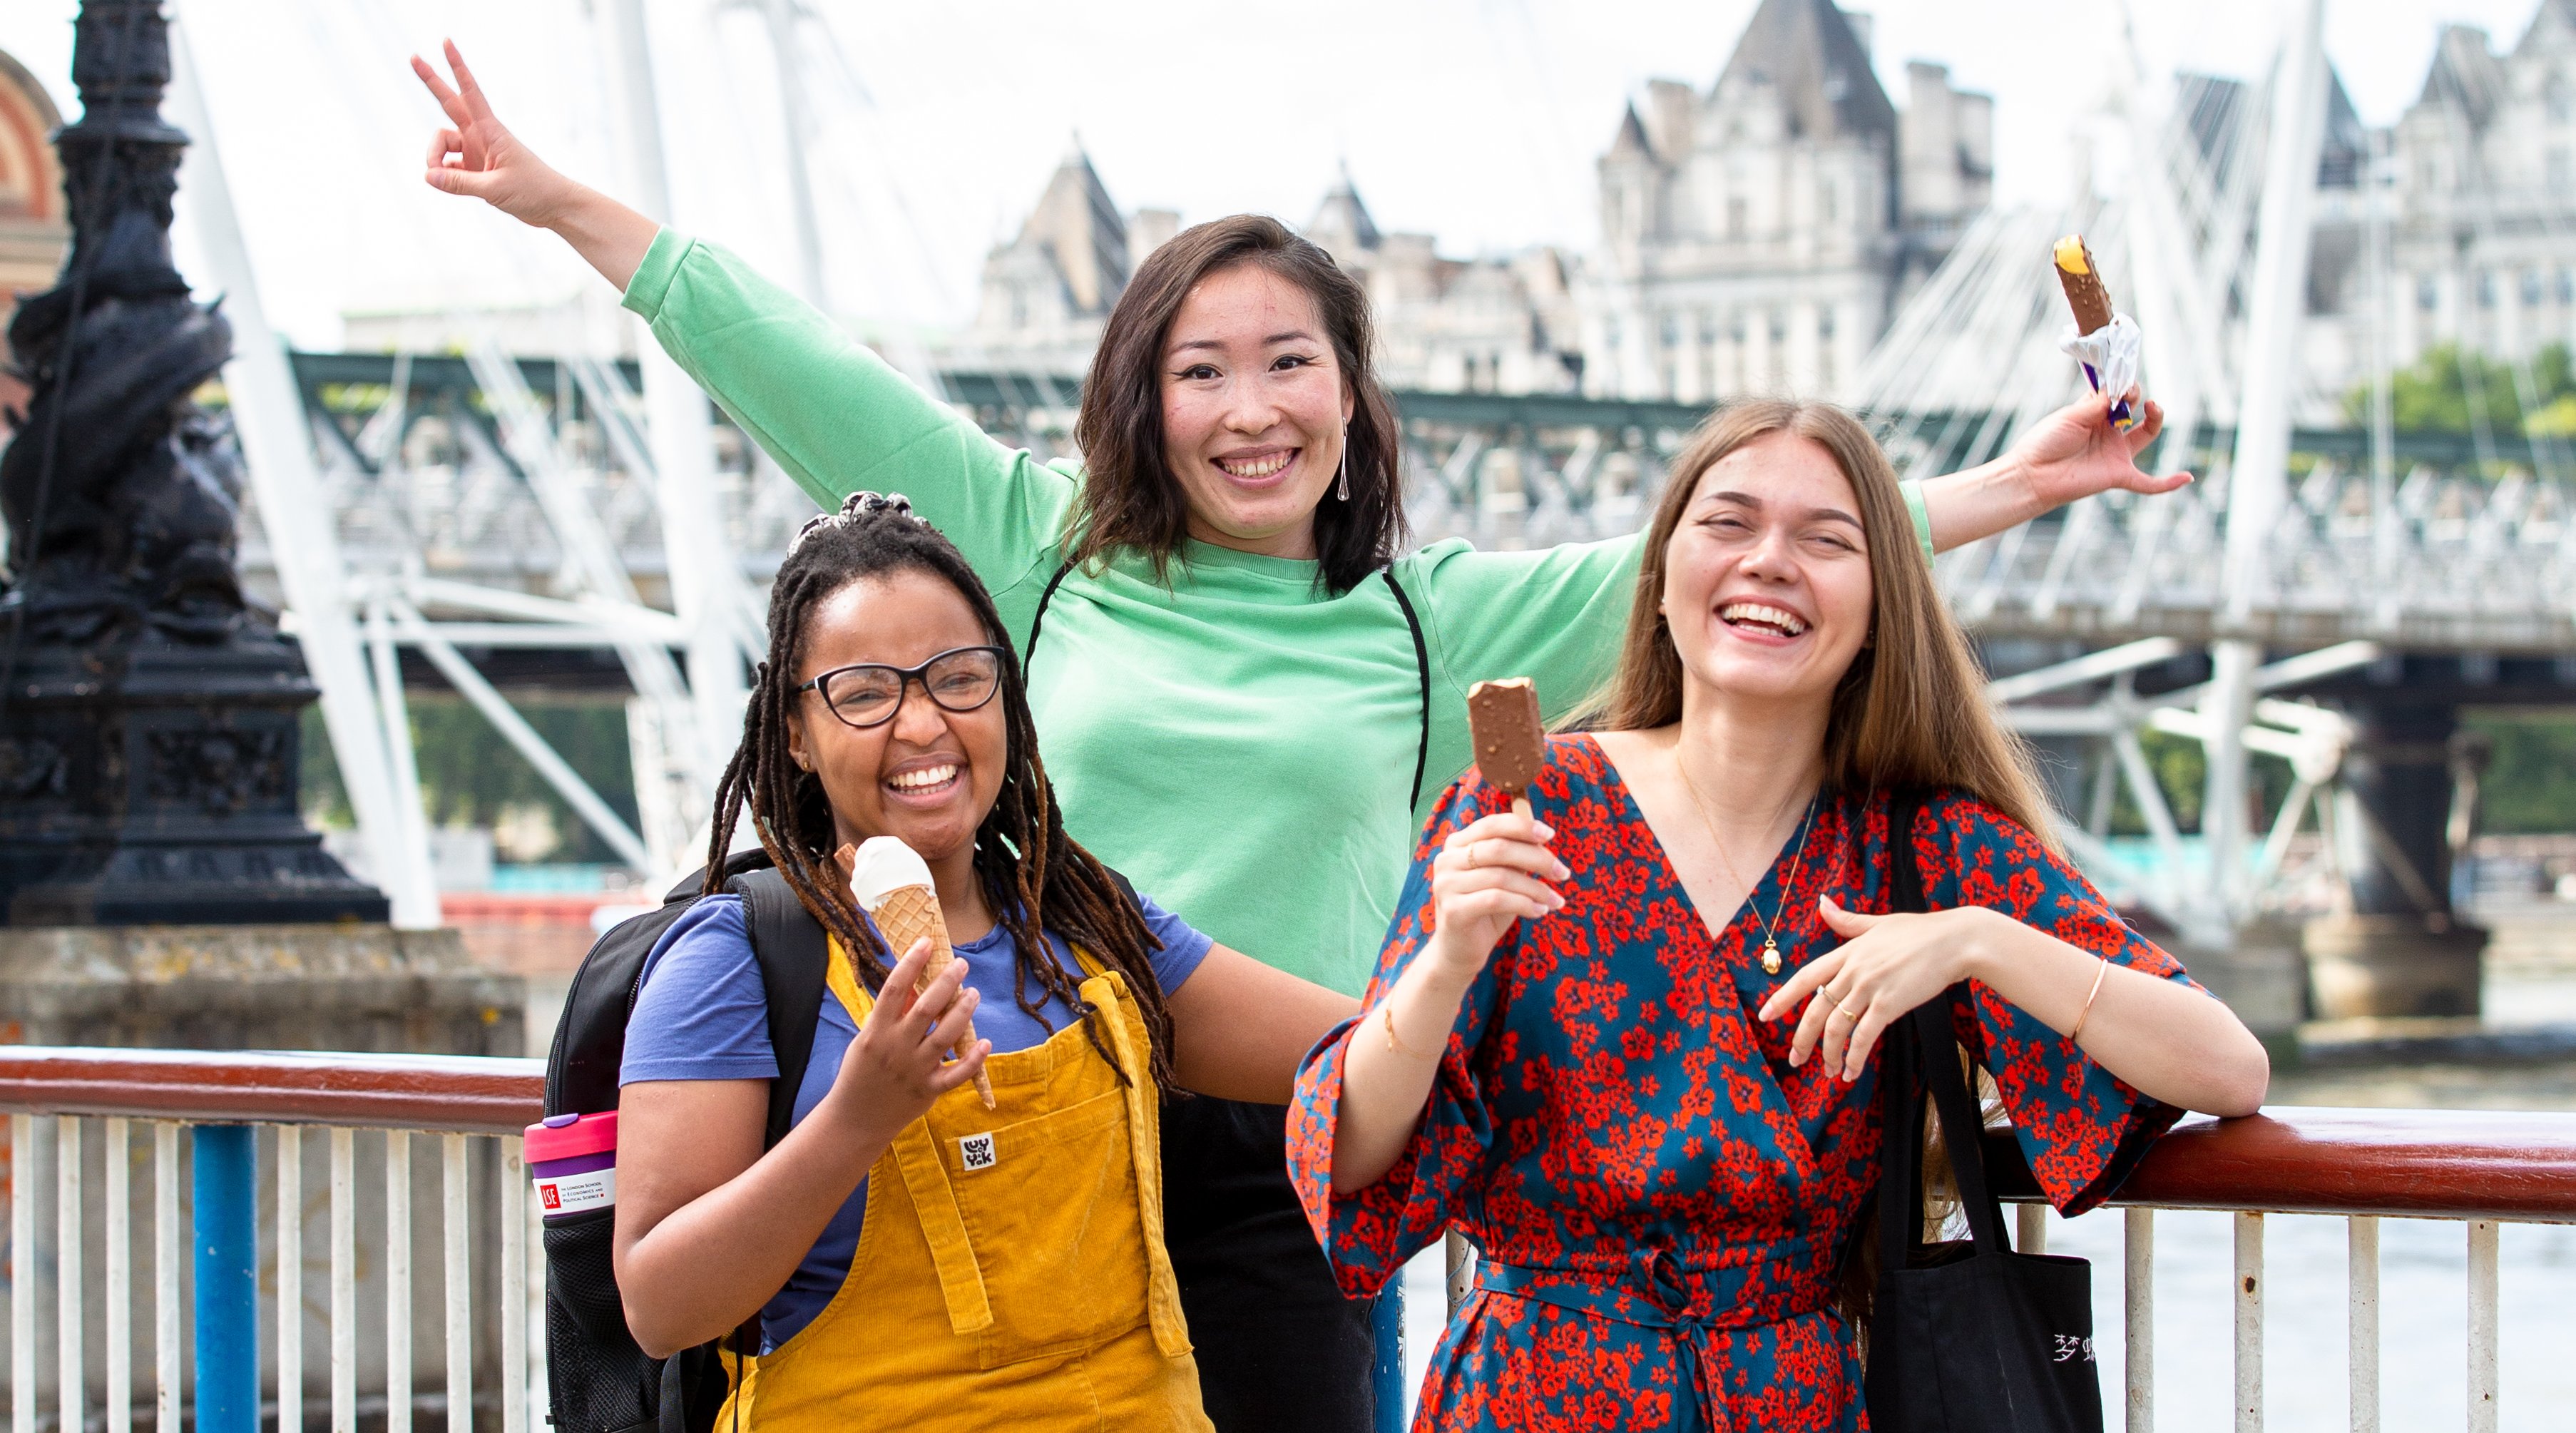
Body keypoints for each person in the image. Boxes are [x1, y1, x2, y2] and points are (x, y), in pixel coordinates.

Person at [412, 43, 2192, 1431]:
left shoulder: (1441, 626)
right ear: (1141, 398)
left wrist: (2031, 483)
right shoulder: (1033, 549)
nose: (1251, 410)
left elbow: (1754, 554)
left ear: (1353, 395)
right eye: (1202, 369)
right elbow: (791, 363)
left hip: (1299, 1166)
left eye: (1292, 365)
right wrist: (564, 205)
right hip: (1019, 1138)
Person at [1290, 399, 2269, 1432]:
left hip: (1786, 1399)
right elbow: (1350, 1159)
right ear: (1661, 579)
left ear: (1883, 601)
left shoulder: (1926, 848)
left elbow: (2227, 1067)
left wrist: (1979, 938)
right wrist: (1445, 961)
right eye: (1727, 524)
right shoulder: (1523, 807)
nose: (1769, 561)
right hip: (1532, 1395)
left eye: (1827, 540)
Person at [615, 492, 1351, 1429]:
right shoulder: (735, 959)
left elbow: (1355, 1053)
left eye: (958, 677)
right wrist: (860, 1114)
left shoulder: (1092, 928)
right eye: (867, 692)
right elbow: (660, 1304)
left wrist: (1464, 952)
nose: (922, 724)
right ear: (795, 732)